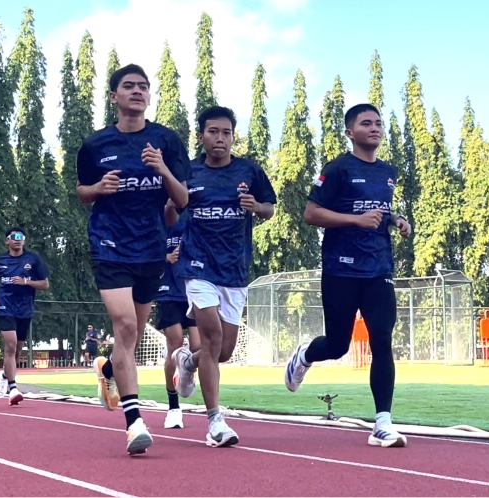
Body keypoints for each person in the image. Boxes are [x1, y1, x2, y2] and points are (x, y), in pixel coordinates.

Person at [75, 63, 189, 455]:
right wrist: (98, 187)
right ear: (114, 97)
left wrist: (161, 169)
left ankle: (107, 369)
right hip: (109, 244)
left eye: (143, 86)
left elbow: (183, 199)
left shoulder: (166, 140)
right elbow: (82, 192)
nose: (138, 91)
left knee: (133, 334)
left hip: (150, 247)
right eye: (129, 86)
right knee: (124, 325)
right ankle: (134, 421)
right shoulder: (95, 145)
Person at [283, 103, 412, 448]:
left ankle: (382, 423)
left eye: (378, 123)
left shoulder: (388, 172)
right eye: (366, 123)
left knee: (381, 341)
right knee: (338, 346)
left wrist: (395, 220)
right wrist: (355, 220)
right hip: (341, 269)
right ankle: (306, 355)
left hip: (379, 269)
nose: (374, 128)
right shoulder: (338, 169)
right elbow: (311, 214)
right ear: (350, 132)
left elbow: (379, 211)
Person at [173, 106, 277, 448]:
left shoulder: (249, 170)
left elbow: (269, 208)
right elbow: (169, 212)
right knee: (212, 336)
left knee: (223, 352)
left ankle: (188, 361)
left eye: (226, 133)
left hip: (234, 270)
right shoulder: (187, 171)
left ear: (233, 136)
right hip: (198, 266)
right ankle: (215, 422)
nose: (220, 138)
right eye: (213, 131)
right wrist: (173, 203)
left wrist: (255, 207)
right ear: (201, 135)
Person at [0, 227, 50, 406]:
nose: (18, 240)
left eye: (21, 237)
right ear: (7, 241)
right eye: (14, 237)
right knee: (10, 346)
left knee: (18, 350)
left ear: (25, 241)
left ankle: (5, 375)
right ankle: (13, 388)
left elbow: (45, 284)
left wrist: (26, 282)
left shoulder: (32, 259)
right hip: (5, 307)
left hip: (25, 309)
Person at [156, 209, 200, 429]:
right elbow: (144, 256)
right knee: (175, 343)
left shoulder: (191, 222)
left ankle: (187, 370)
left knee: (198, 346)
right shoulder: (157, 226)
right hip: (167, 292)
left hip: (192, 290)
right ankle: (173, 406)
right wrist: (165, 257)